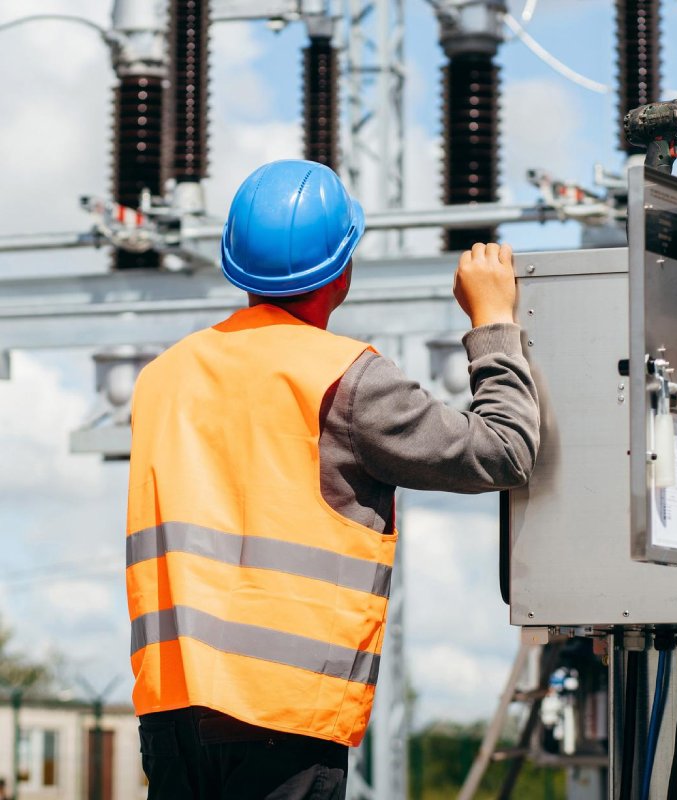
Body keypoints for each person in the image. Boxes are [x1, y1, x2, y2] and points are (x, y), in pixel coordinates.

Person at [126, 159, 539, 800]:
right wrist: (493, 323)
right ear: (341, 272)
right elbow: (504, 451)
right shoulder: (349, 380)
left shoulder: (164, 377)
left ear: (235, 264)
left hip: (171, 712)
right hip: (282, 722)